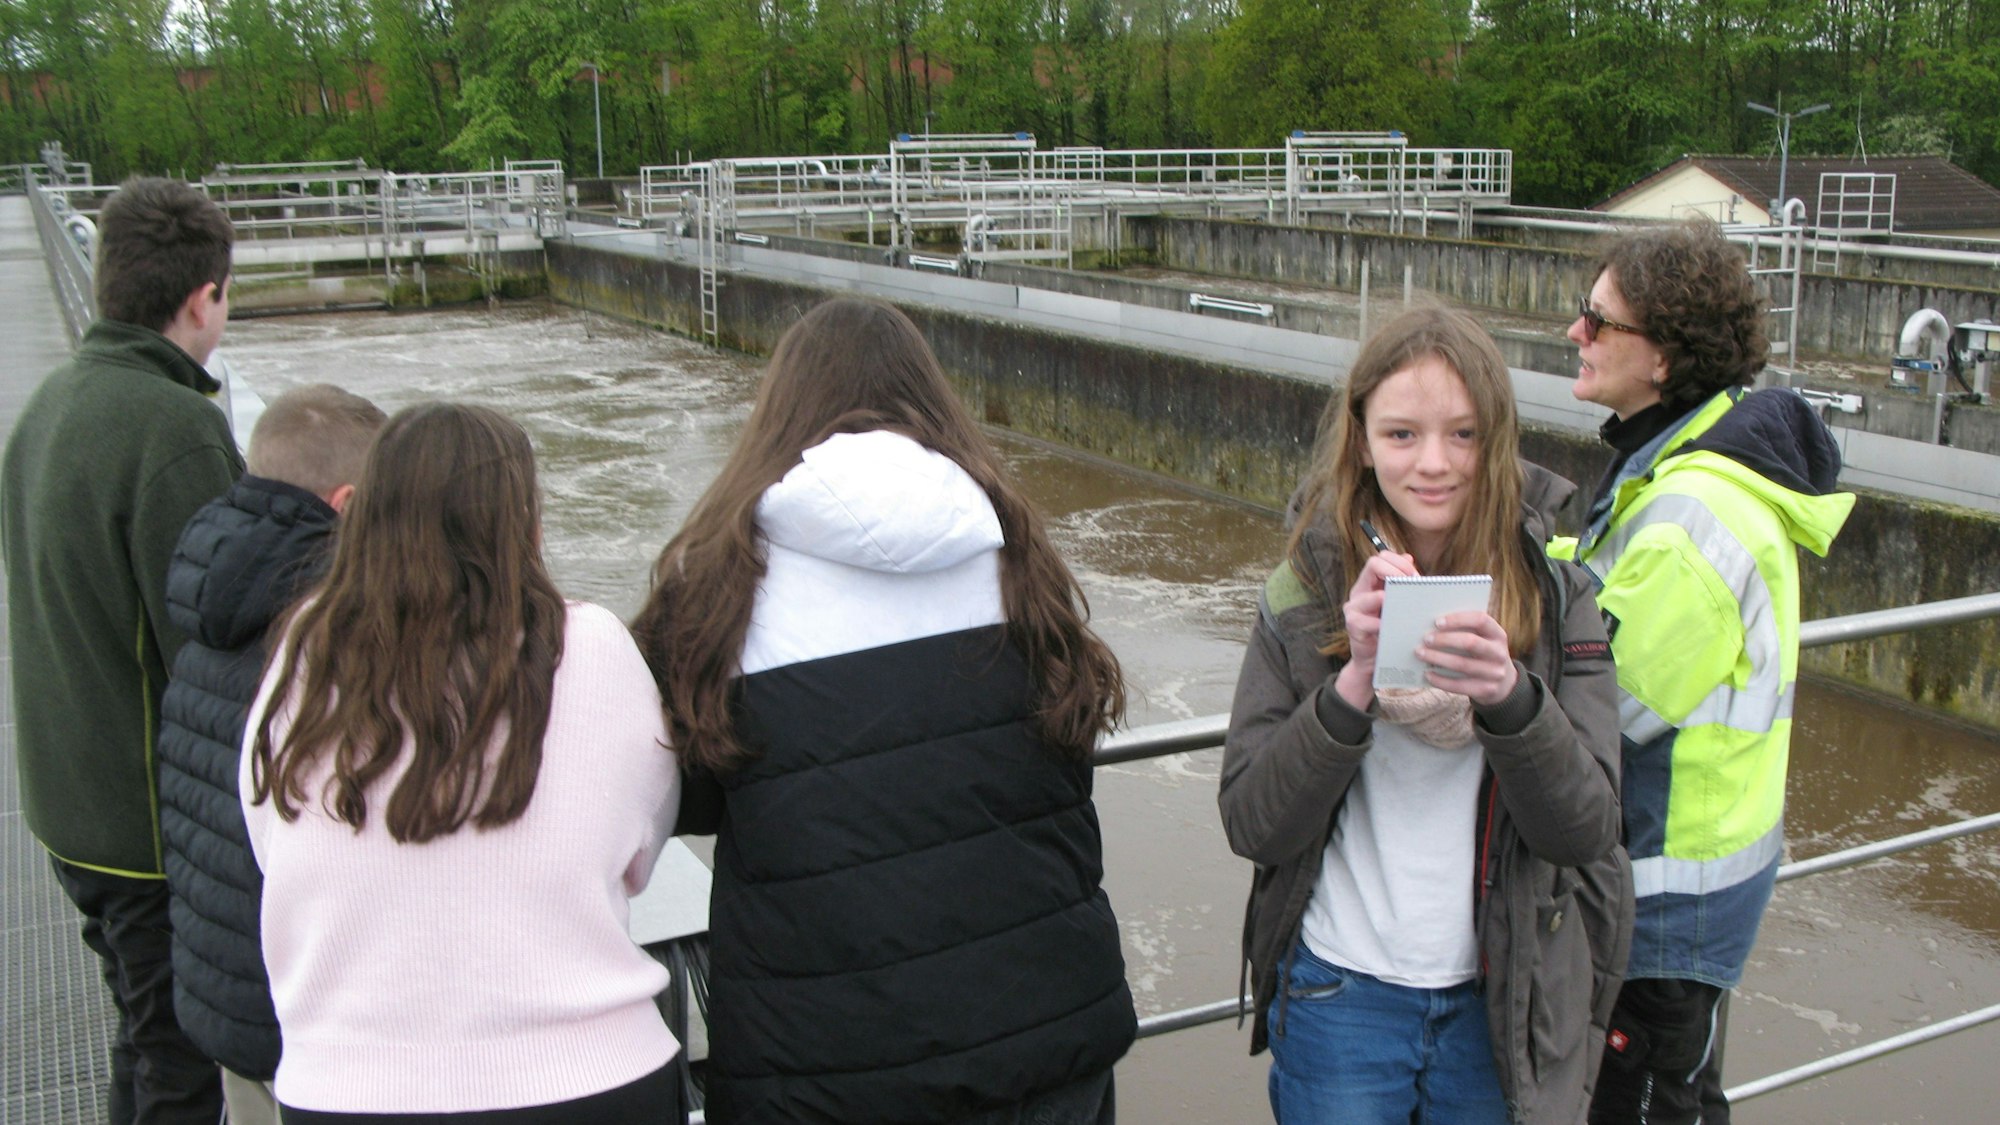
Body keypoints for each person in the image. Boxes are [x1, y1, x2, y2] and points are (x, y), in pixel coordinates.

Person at [631, 297, 1136, 1124]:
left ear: (782, 410)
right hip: (1041, 1045)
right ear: (931, 398)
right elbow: (1065, 744)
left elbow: (685, 789)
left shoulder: (720, 584)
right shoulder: (1015, 552)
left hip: (823, 1069)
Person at [1218, 304, 1632, 1124]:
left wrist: (1512, 701)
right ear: (1363, 441)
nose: (1433, 464)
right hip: (1340, 995)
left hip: (1501, 1000)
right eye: (1402, 434)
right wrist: (1354, 682)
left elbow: (1586, 829)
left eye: (1463, 435)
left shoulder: (1559, 596)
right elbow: (1250, 822)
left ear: (1498, 439)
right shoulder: (1304, 593)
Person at [240, 402, 683, 1122]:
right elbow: (641, 846)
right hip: (590, 1077)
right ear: (527, 527)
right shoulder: (593, 645)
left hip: (349, 1087)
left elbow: (272, 843)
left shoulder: (302, 659)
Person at [1560, 221, 1854, 1124]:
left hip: (1660, 912)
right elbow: (1623, 585)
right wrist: (1546, 563)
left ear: (1663, 358)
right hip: (1697, 897)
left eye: (1597, 319)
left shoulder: (1697, 511)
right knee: (1685, 1098)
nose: (1576, 332)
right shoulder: (1690, 464)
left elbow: (1609, 701)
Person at [2, 176, 241, 1123]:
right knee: (178, 1066)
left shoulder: (50, 404)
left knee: (143, 1036)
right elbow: (215, 640)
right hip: (146, 827)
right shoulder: (175, 428)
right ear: (202, 298)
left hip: (67, 801)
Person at [156, 383, 388, 1125]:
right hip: (314, 1027)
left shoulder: (207, 613)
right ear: (350, 506)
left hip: (225, 1000)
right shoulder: (328, 644)